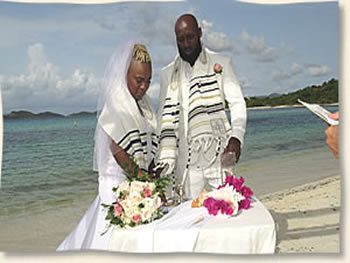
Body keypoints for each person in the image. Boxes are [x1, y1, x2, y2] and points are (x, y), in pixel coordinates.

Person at [57, 41, 158, 250]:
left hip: (134, 185)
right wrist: (144, 183)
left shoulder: (144, 105)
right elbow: (119, 151)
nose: (144, 87)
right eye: (139, 80)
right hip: (116, 187)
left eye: (148, 81)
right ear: (124, 75)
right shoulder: (116, 104)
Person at [156, 14, 247, 200]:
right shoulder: (167, 74)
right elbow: (162, 117)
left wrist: (236, 137)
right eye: (180, 39)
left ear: (199, 33)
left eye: (190, 37)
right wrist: (162, 157)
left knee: (228, 206)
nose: (186, 43)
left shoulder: (221, 63)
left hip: (220, 153)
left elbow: (237, 103)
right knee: (189, 214)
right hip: (187, 160)